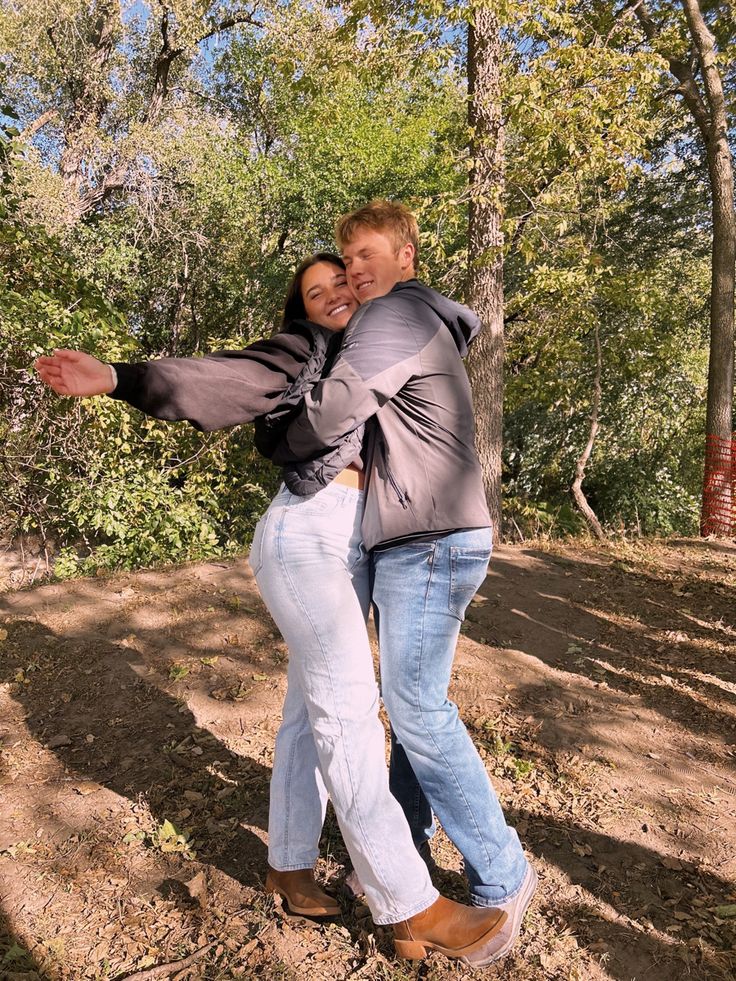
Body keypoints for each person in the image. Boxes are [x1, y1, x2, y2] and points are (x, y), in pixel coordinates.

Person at [35, 253, 507, 963]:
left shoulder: (381, 352)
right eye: (315, 295)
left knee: (306, 711)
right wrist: (121, 378)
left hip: (350, 542)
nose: (333, 297)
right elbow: (234, 379)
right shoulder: (305, 351)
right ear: (306, 315)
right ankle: (409, 905)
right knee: (348, 712)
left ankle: (288, 863)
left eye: (340, 282)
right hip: (309, 532)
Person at [284, 201, 538, 968]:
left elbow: (333, 409)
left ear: (406, 258)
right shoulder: (411, 316)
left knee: (420, 709)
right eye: (346, 258)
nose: (355, 270)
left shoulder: (393, 313)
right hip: (424, 537)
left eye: (368, 254)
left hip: (427, 541)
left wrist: (280, 436)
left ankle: (504, 870)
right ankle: (409, 845)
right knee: (411, 700)